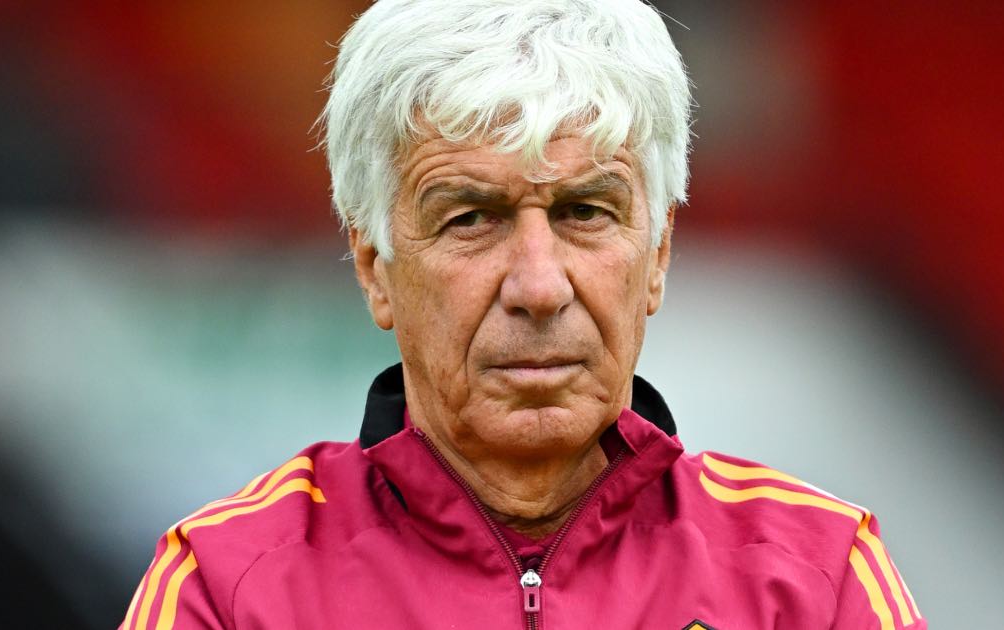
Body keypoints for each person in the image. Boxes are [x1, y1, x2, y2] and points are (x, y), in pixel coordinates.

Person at [122, 1, 925, 628]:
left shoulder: (817, 579)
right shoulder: (226, 586)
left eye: (586, 211)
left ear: (657, 256)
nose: (539, 287)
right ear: (373, 267)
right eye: (472, 217)